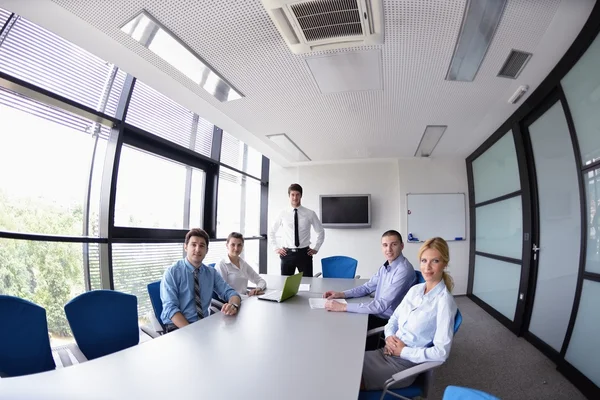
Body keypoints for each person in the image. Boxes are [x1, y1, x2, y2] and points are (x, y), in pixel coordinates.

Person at [361, 237, 458, 391]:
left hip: (402, 366)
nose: (427, 267)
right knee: (344, 364)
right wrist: (389, 337)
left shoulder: (444, 302)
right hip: (386, 351)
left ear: (445, 264)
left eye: (435, 261)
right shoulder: (415, 290)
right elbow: (393, 319)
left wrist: (403, 351)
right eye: (424, 261)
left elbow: (441, 353)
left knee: (347, 379)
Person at [323, 230, 416, 350]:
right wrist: (341, 294)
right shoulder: (386, 266)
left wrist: (342, 307)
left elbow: (381, 305)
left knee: (342, 325)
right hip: (376, 313)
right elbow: (367, 287)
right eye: (385, 245)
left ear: (402, 246)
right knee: (339, 322)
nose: (389, 249)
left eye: (394, 244)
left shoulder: (403, 270)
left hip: (386, 321)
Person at [160, 228, 241, 332]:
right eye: (193, 245)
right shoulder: (172, 272)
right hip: (177, 327)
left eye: (202, 246)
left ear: (206, 250)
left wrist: (233, 305)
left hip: (202, 324)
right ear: (185, 247)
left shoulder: (211, 273)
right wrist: (192, 332)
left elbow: (231, 293)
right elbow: (170, 309)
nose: (197, 249)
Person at [268, 183, 325, 277]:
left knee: (307, 283)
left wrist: (316, 248)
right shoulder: (282, 213)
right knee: (286, 284)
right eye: (292, 195)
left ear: (301, 195)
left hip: (304, 254)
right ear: (289, 196)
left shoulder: (310, 213)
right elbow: (271, 232)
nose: (295, 197)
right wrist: (275, 248)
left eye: (297, 194)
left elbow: (320, 231)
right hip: (287, 254)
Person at [216, 232, 267, 297]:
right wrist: (247, 297)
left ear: (242, 246)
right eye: (233, 245)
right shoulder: (222, 265)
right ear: (227, 245)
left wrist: (258, 289)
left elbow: (261, 281)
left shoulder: (243, 263)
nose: (236, 248)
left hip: (245, 300)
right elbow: (222, 292)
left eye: (239, 245)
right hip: (232, 302)